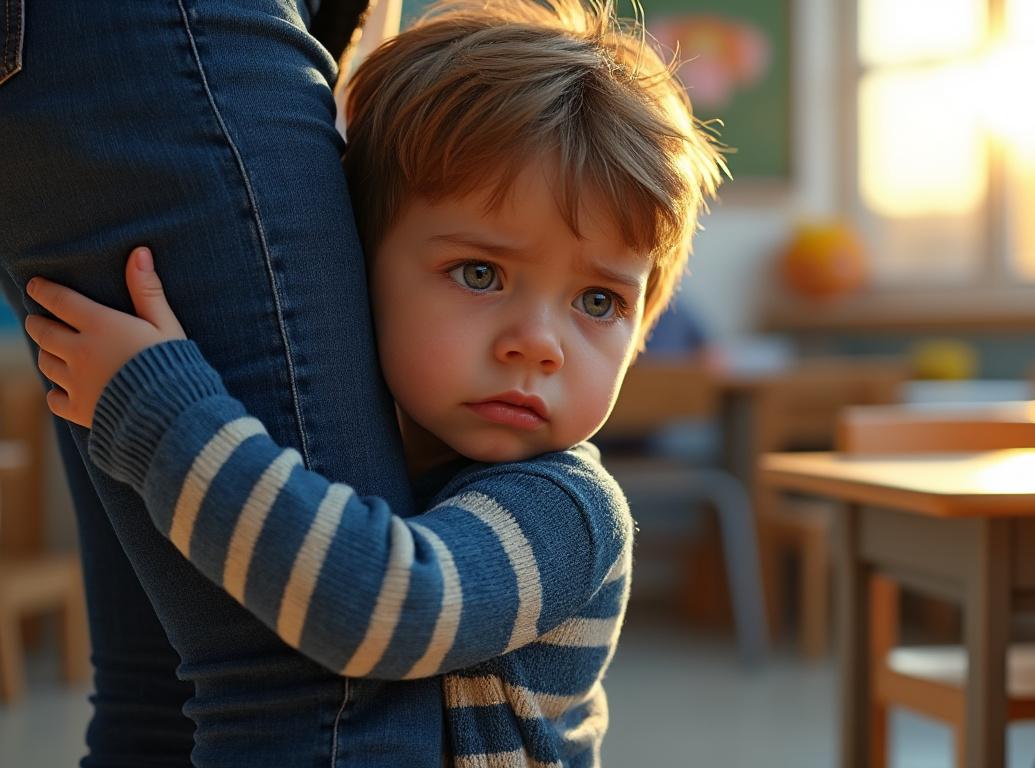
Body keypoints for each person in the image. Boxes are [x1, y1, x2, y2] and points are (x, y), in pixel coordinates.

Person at [23, 1, 725, 766]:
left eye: (599, 301)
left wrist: (161, 418)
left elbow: (383, 605)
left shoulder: (570, 511)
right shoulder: (381, 435)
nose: (540, 345)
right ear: (355, 269)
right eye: (481, 273)